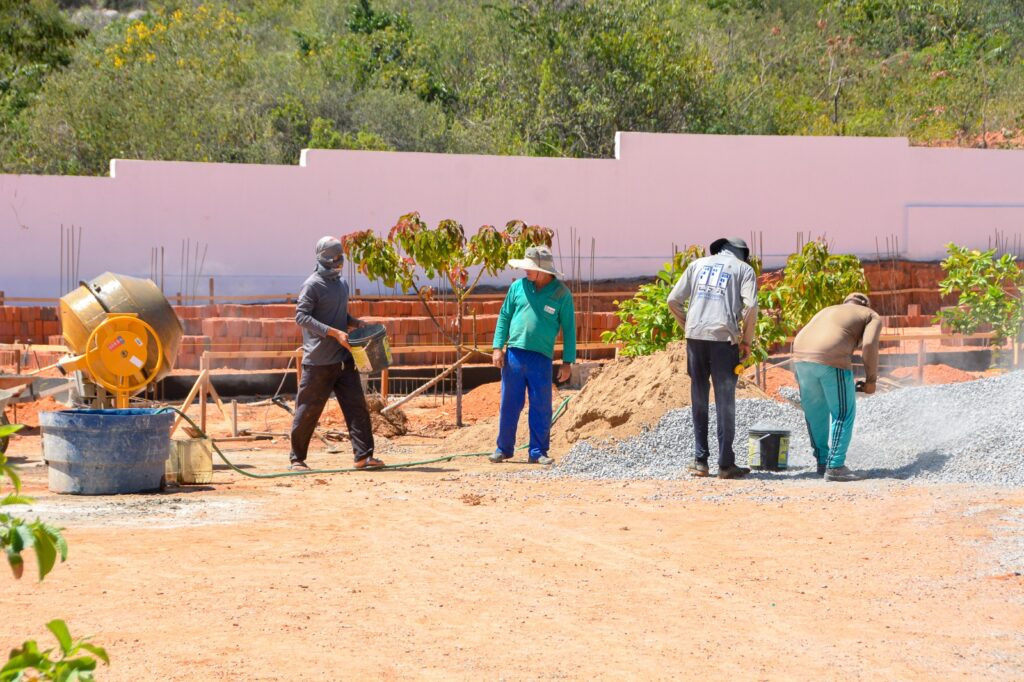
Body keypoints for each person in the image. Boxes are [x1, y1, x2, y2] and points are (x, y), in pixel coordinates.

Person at [288, 236, 383, 471]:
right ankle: (297, 459)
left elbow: (340, 316)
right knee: (308, 410)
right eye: (333, 257)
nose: (338, 261)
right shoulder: (312, 284)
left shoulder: (341, 285)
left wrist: (355, 323)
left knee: (356, 407)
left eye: (340, 257)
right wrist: (333, 333)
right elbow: (301, 317)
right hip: (319, 361)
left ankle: (363, 457)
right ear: (322, 258)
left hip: (343, 358)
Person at [667, 237, 758, 479]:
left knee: (699, 396)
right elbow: (750, 307)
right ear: (741, 254)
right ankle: (726, 464)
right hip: (723, 340)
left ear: (719, 250)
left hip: (695, 339)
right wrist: (746, 340)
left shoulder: (697, 265)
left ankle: (700, 461)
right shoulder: (744, 270)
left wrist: (689, 325)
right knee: (725, 400)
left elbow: (672, 300)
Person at [488, 245, 576, 465]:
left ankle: (537, 452)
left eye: (530, 267)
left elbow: (569, 328)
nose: (525, 271)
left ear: (544, 270)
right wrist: (498, 347)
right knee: (509, 403)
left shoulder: (561, 294)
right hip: (514, 355)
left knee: (540, 405)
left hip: (541, 359)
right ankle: (503, 449)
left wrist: (567, 362)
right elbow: (504, 317)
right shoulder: (517, 288)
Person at [792, 292, 881, 482]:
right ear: (866, 305)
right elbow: (870, 344)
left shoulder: (827, 310)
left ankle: (823, 462)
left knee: (815, 413)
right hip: (831, 358)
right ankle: (836, 466)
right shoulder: (870, 315)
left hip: (799, 357)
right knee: (843, 412)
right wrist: (871, 380)